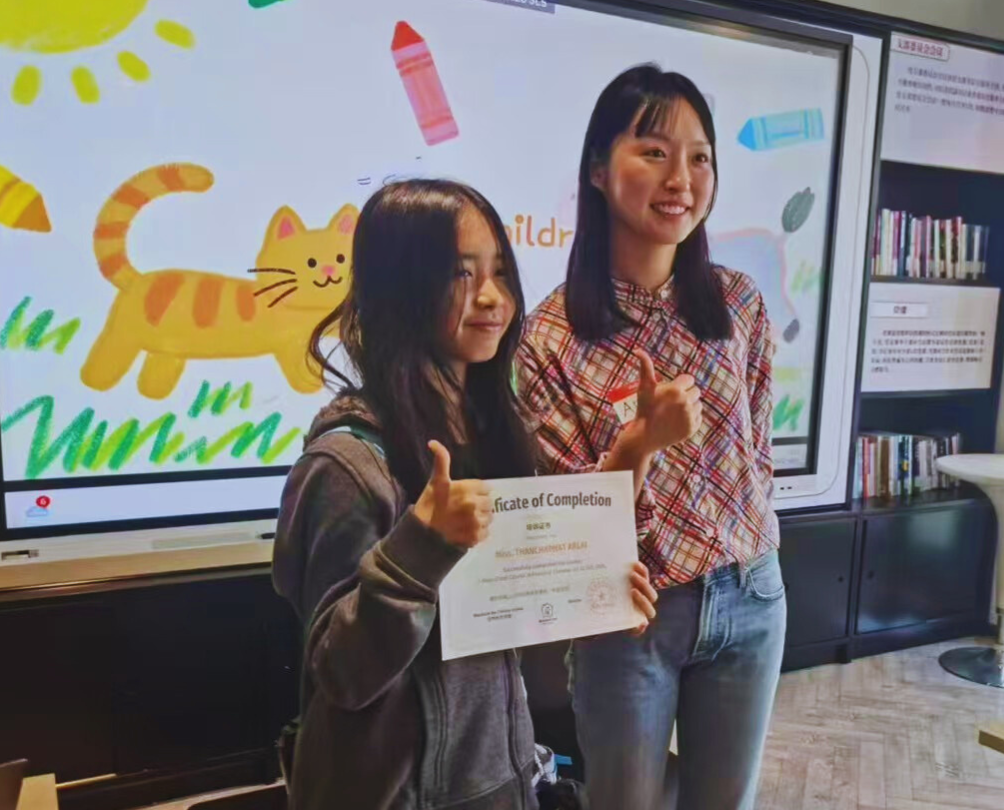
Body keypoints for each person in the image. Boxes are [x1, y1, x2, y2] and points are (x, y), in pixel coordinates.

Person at [272, 179, 659, 810]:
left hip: (500, 782)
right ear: (400, 287)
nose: (492, 296)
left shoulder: (491, 433)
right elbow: (340, 673)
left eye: (500, 271)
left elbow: (510, 619)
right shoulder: (343, 466)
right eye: (461, 273)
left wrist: (598, 591)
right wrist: (419, 549)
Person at [517, 65, 785, 810]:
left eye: (700, 157)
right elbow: (569, 519)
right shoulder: (549, 335)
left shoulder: (738, 303)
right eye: (655, 152)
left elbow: (759, 452)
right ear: (598, 170)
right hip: (627, 613)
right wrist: (640, 443)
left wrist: (755, 542)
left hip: (751, 594)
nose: (681, 179)